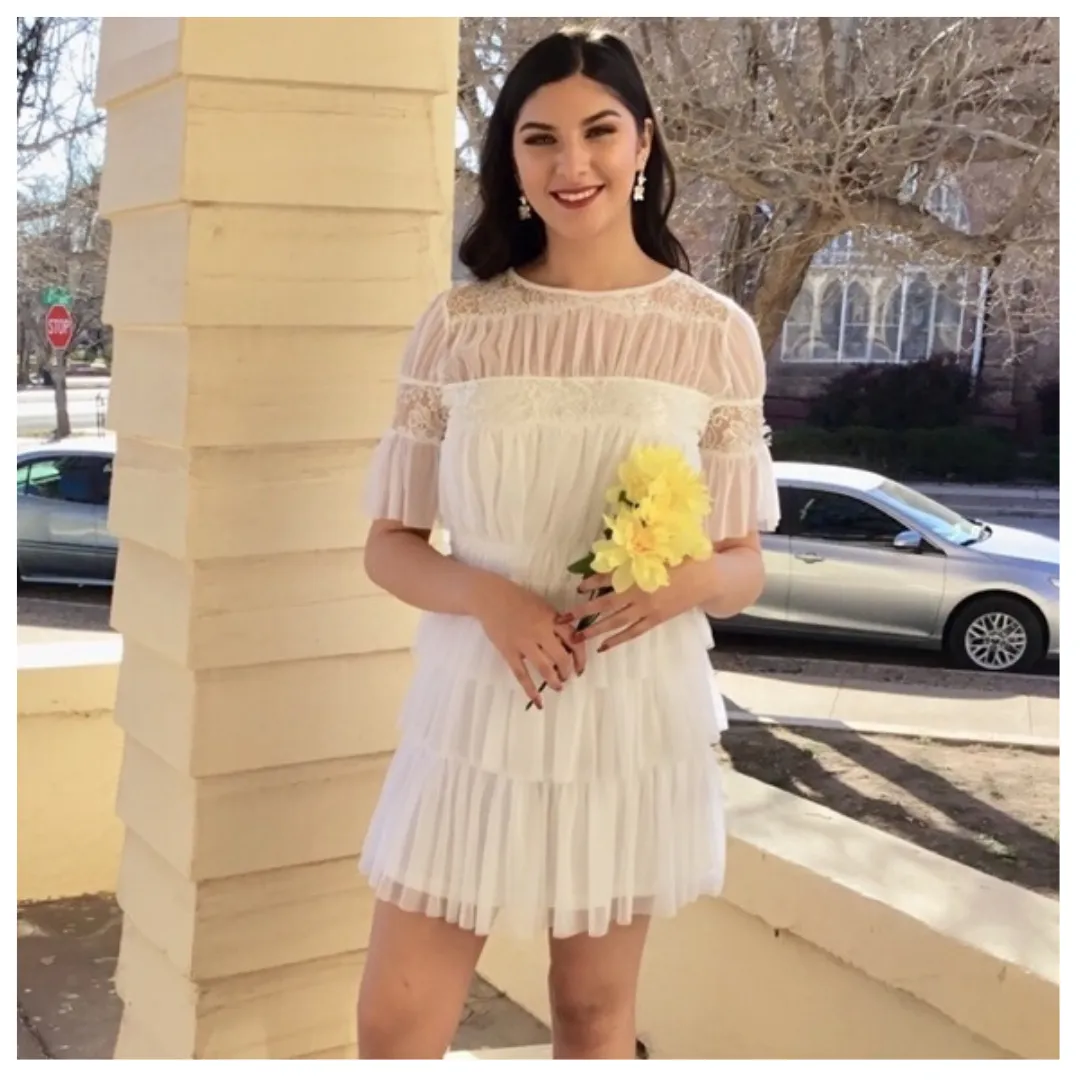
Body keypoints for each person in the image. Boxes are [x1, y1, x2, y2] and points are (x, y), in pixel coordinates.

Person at [356, 27, 779, 1060]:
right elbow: (389, 545)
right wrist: (490, 599)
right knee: (397, 1021)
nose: (571, 164)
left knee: (592, 1016)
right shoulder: (460, 324)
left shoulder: (711, 332)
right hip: (472, 705)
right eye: (539, 139)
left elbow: (744, 563)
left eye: (598, 132)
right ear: (510, 159)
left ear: (645, 143)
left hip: (623, 715)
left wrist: (679, 587)